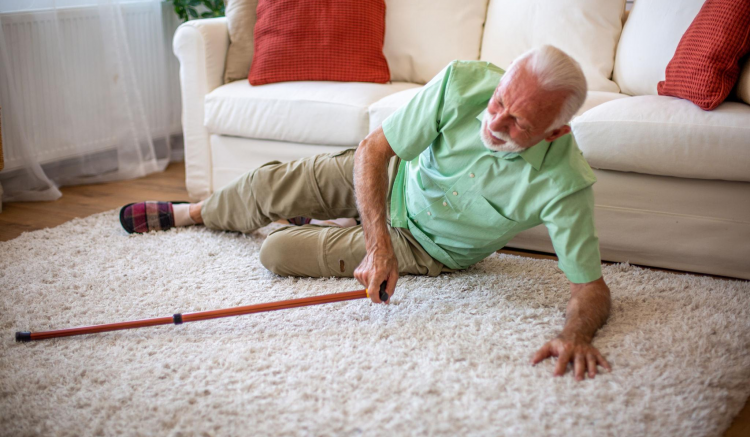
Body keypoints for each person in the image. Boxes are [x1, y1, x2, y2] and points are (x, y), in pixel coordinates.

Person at [120, 45, 612, 380]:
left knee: (277, 250)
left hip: (427, 246)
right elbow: (375, 150)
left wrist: (575, 335)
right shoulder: (465, 82)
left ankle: (322, 224)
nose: (494, 122)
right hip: (392, 176)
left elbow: (590, 290)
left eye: (517, 121)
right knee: (268, 186)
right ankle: (194, 213)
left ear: (554, 133)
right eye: (499, 101)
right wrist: (376, 245)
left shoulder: (566, 184)